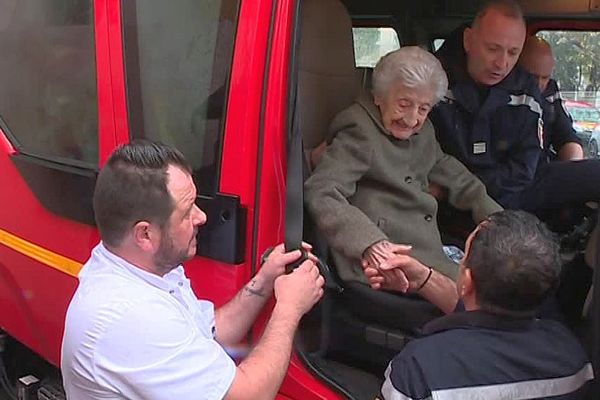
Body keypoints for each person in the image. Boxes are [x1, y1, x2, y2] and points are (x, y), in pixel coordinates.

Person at [61, 141, 324, 400]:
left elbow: (212, 331)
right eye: (187, 212)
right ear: (145, 235)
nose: (202, 217)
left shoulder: (150, 267)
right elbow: (247, 396)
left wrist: (265, 280)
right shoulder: (130, 316)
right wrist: (289, 309)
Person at [304, 46, 501, 308]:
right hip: (385, 261)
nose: (411, 119)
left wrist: (492, 215)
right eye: (404, 104)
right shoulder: (359, 130)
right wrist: (370, 244)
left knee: (503, 286)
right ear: (379, 96)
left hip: (422, 247)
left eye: (423, 108)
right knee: (486, 301)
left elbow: (445, 167)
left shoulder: (424, 129)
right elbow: (322, 190)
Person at [367, 211, 594, 399]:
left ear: (466, 280)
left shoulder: (419, 368)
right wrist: (425, 280)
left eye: (463, 255)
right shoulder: (570, 352)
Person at [430, 0, 600, 223]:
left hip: (516, 191)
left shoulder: (527, 91)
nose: (502, 63)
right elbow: (422, 160)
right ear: (468, 40)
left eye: (513, 53)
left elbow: (523, 170)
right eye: (493, 49)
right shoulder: (432, 84)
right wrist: (452, 190)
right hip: (448, 200)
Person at [519, 35, 584, 162]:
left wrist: (573, 166)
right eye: (532, 77)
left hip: (546, 167)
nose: (538, 84)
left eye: (545, 77)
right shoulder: (504, 95)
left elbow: (566, 135)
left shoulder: (550, 90)